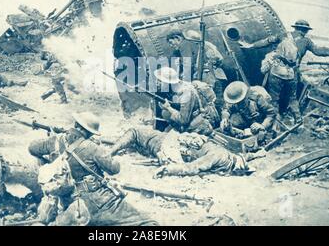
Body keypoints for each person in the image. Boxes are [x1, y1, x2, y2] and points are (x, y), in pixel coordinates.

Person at [28, 112, 158, 226]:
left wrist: (54, 161)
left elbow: (32, 147)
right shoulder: (92, 147)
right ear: (87, 132)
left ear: (75, 124)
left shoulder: (55, 142)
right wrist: (105, 151)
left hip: (68, 202)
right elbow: (115, 168)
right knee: (147, 223)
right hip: (97, 202)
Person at [154, 132, 263, 178]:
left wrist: (258, 154)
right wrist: (167, 170)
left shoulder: (232, 157)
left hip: (185, 148)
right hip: (177, 143)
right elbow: (192, 168)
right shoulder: (217, 157)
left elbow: (244, 157)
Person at [154, 67, 214, 136]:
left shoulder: (186, 94)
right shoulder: (180, 86)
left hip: (198, 127)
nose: (157, 83)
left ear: (168, 83)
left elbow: (183, 120)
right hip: (190, 120)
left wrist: (168, 108)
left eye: (159, 81)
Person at [260, 36, 301, 122]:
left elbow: (263, 70)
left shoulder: (271, 55)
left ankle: (276, 122)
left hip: (276, 77)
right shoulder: (293, 53)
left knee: (274, 100)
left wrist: (268, 64)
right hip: (291, 76)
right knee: (293, 99)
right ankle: (298, 119)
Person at [109, 126, 184, 164]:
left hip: (168, 141)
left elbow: (134, 132)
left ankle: (109, 151)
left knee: (134, 132)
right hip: (171, 145)